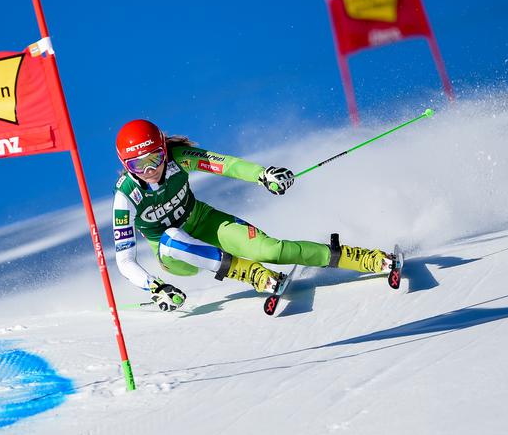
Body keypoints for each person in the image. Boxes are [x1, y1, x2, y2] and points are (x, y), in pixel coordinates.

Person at [112, 119, 393, 312]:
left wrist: (263, 175)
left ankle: (357, 257)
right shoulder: (126, 197)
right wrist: (155, 287)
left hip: (205, 222)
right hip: (174, 257)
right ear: (126, 165)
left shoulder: (179, 157)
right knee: (171, 237)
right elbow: (125, 260)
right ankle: (251, 274)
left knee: (271, 249)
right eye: (138, 164)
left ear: (164, 149)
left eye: (155, 159)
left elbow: (226, 165)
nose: (149, 170)